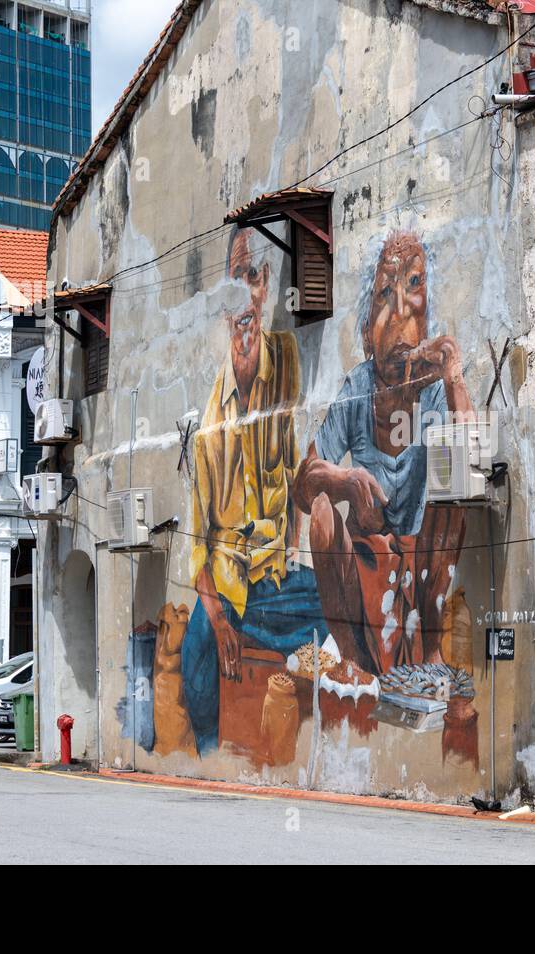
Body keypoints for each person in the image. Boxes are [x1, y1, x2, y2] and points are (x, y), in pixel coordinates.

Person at [293, 231, 471, 675]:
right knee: (319, 512)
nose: (400, 310)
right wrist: (342, 480)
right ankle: (351, 657)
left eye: (414, 286)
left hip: (422, 572)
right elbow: (302, 485)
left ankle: (431, 653)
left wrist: (454, 381)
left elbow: (471, 464)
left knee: (454, 502)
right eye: (385, 294)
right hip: (365, 563)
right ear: (369, 328)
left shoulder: (433, 389)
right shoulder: (358, 389)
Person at [181, 229, 328, 754]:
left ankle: (295, 688)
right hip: (226, 586)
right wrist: (217, 616)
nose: (245, 294)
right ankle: (208, 757)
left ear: (265, 288)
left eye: (253, 277)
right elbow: (197, 546)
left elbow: (298, 472)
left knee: (339, 606)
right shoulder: (206, 430)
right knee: (193, 663)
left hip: (275, 576)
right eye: (235, 281)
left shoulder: (286, 362)